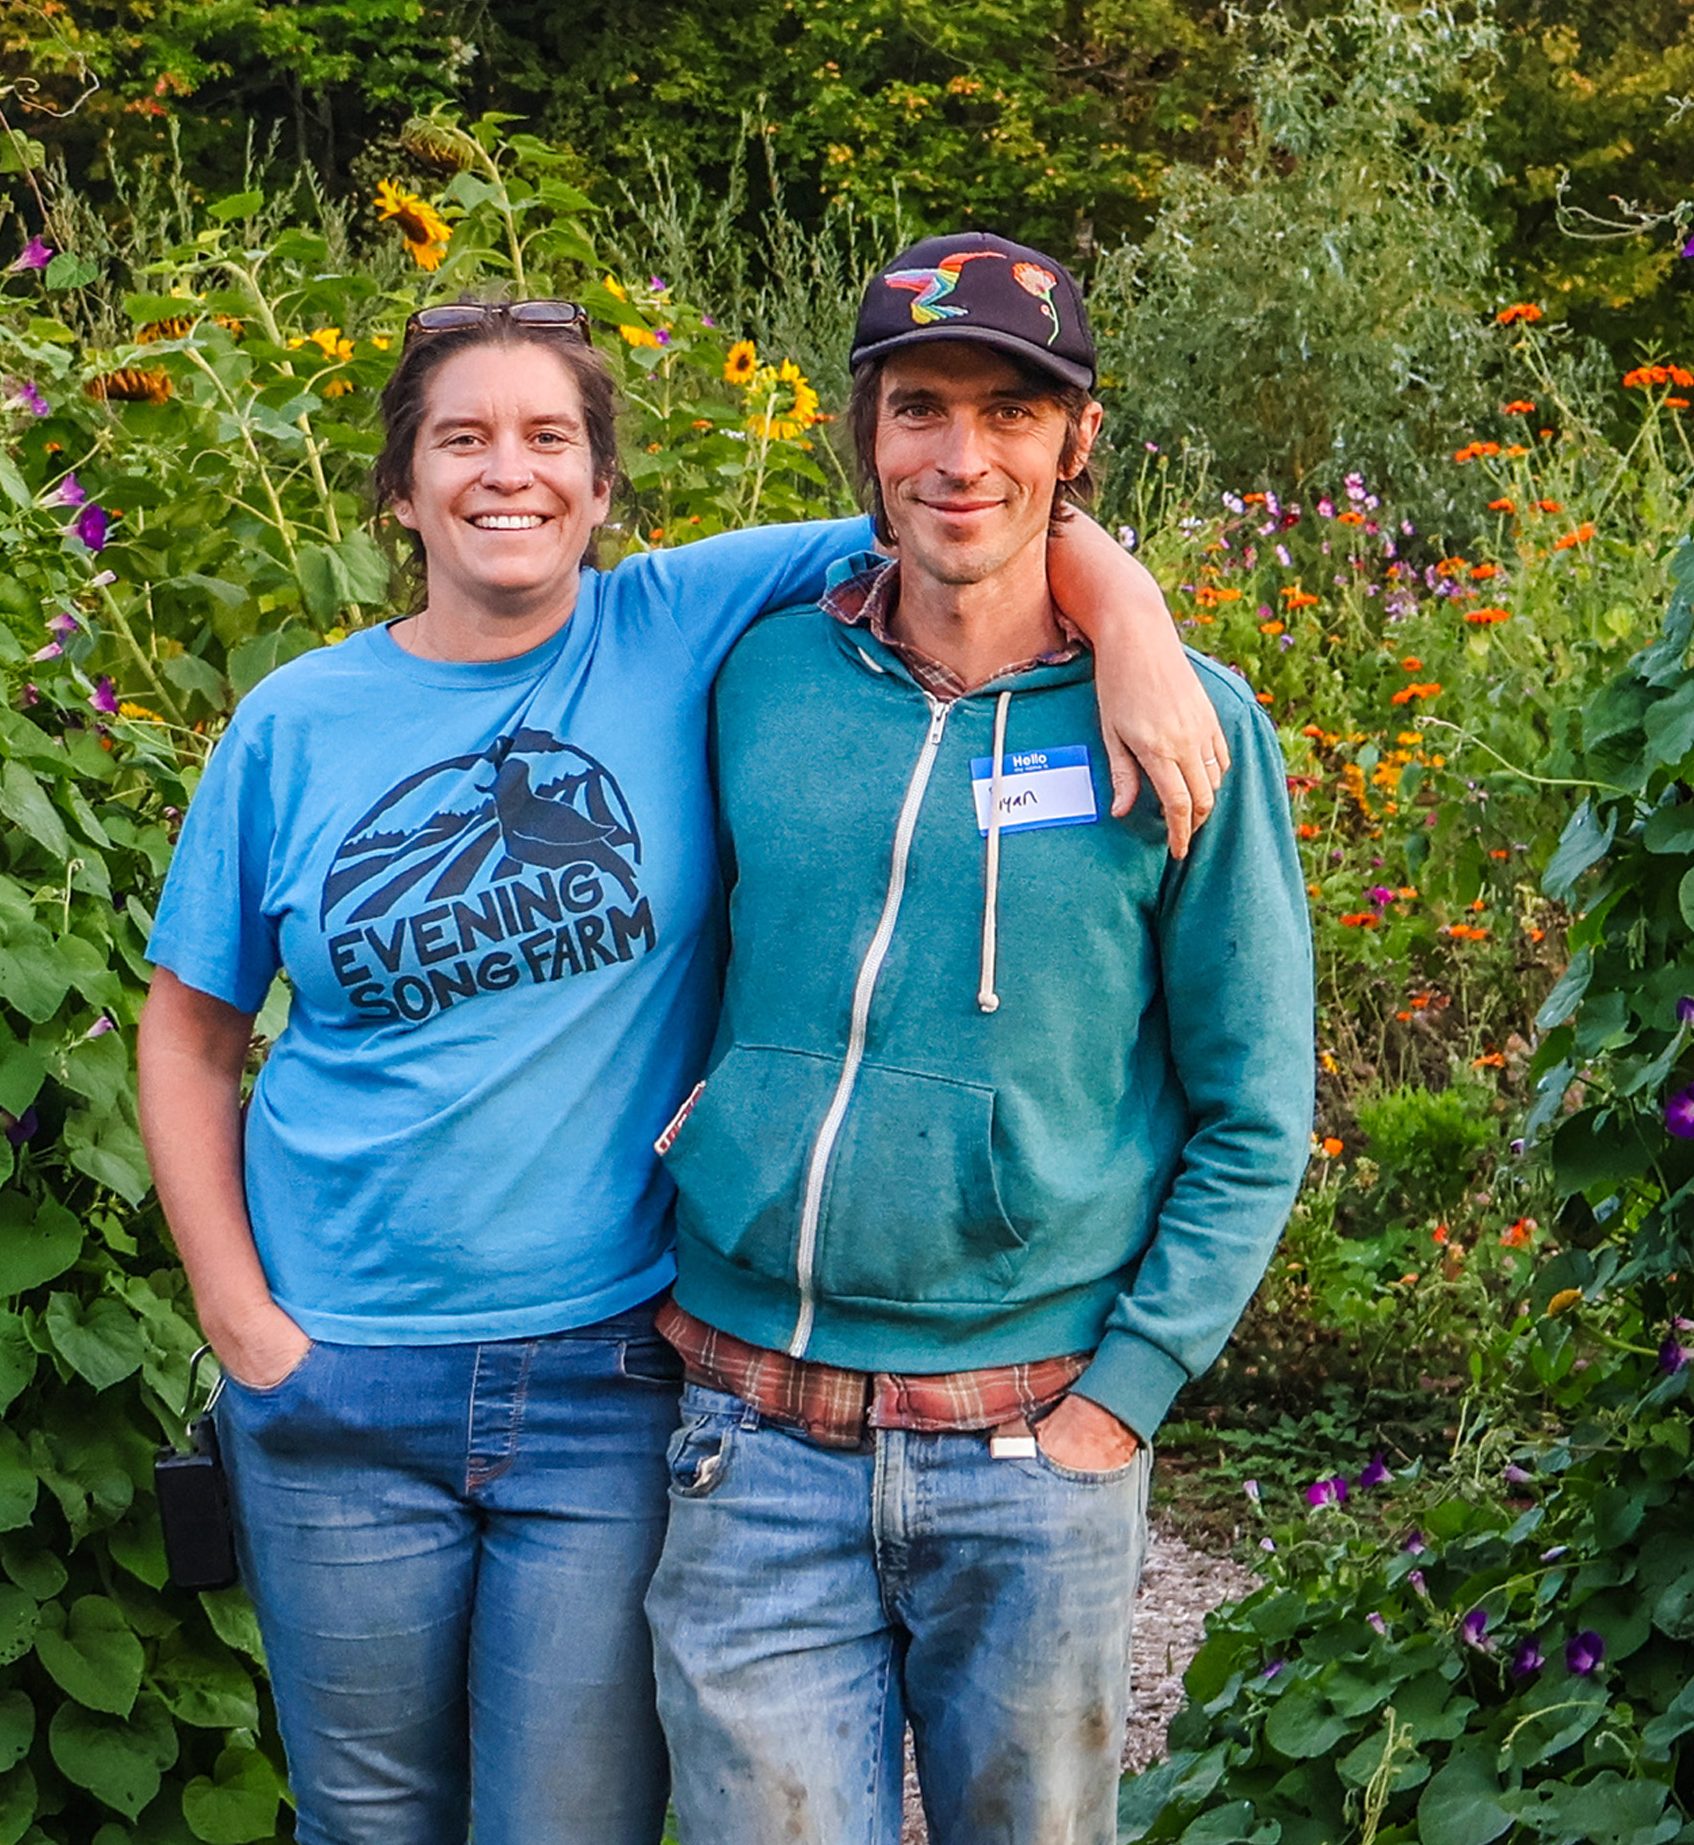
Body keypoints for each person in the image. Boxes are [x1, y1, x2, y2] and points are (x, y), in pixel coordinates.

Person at [134, 290, 1229, 1845]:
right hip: (340, 1371)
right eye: (462, 439)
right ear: (400, 488)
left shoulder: (680, 626)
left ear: (598, 487)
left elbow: (961, 514)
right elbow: (187, 1030)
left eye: (550, 439)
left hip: (600, 1376)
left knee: (568, 1825)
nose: (507, 473)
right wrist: (243, 1326)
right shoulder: (295, 723)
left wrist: (1130, 621)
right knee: (366, 1824)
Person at [647, 235, 1314, 1845]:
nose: (965, 456)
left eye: (1016, 414)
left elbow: (1256, 1106)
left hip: (1031, 1452)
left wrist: (1127, 1395)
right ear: (866, 438)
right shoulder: (757, 678)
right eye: (923, 408)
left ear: (1078, 446)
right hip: (756, 1436)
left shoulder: (1185, 727)